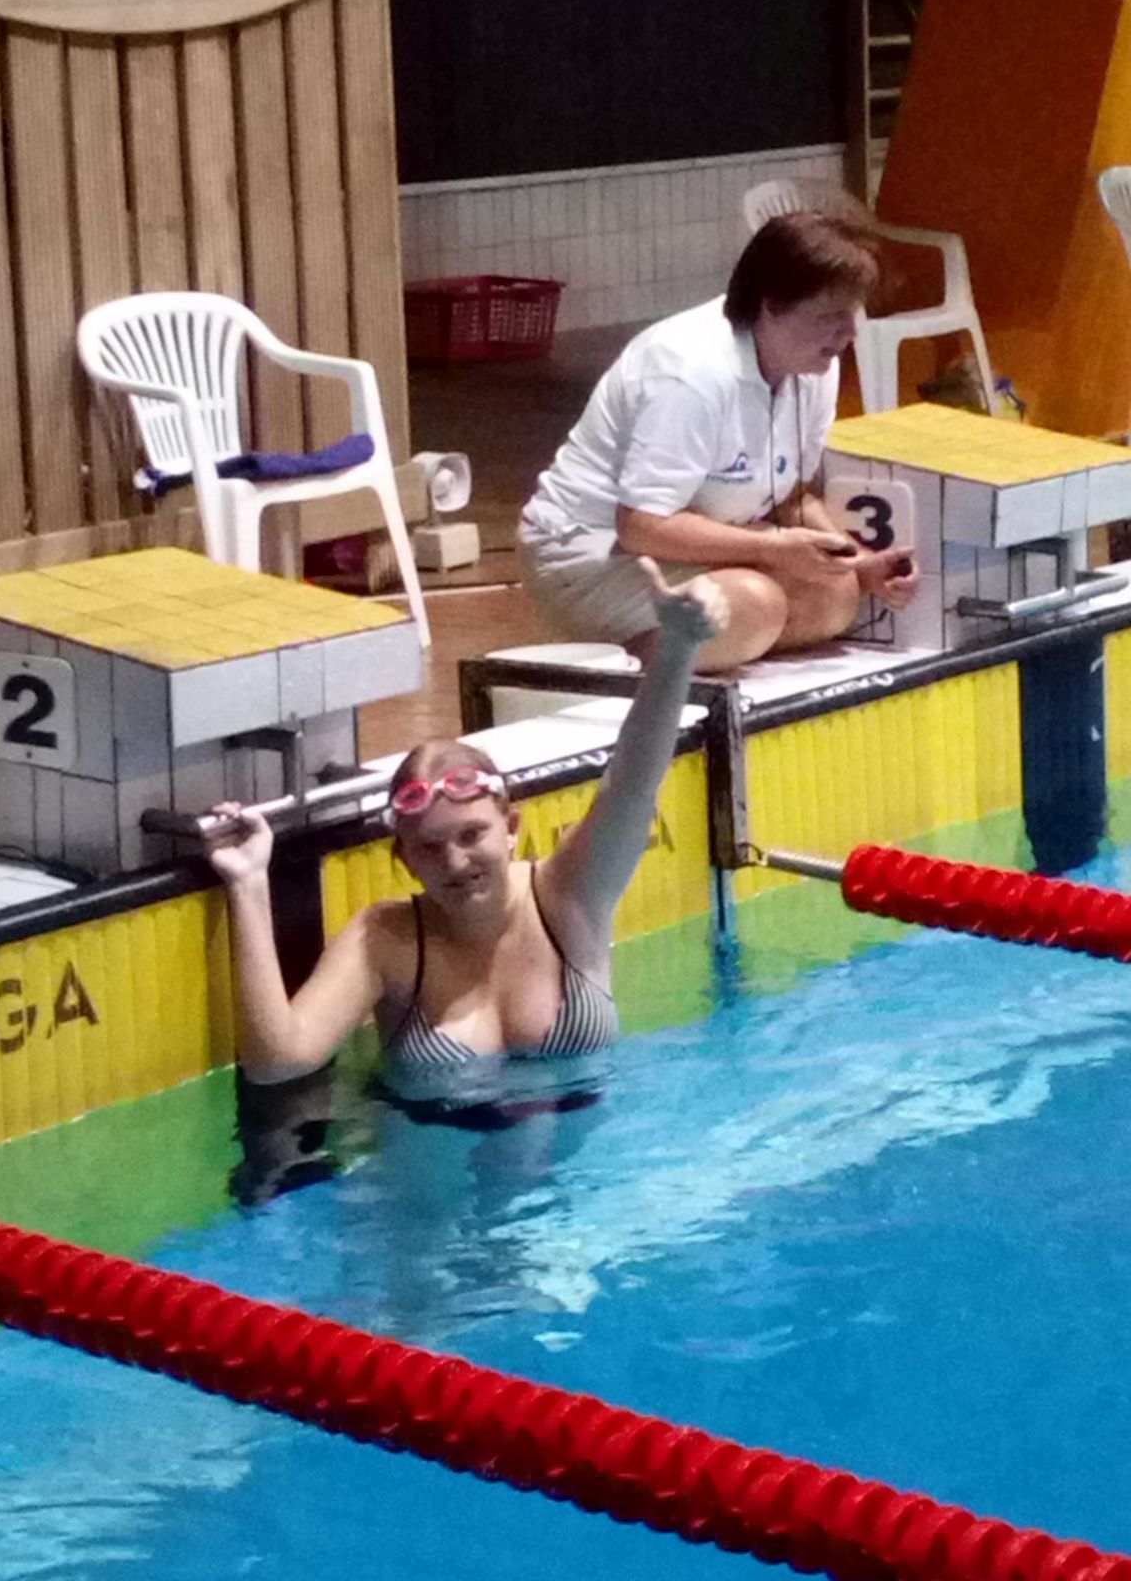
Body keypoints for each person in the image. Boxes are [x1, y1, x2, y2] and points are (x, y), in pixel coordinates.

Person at [205, 560, 728, 1103]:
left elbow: (633, 783)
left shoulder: (569, 896)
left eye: (472, 835)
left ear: (511, 826)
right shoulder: (385, 940)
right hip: (429, 1157)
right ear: (404, 859)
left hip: (587, 1157)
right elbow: (277, 1062)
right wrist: (248, 885)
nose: (455, 862)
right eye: (429, 847)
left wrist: (677, 649)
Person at [519, 211, 920, 673]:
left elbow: (791, 497)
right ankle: (608, 672)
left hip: (697, 542)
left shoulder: (814, 365)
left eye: (852, 314)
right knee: (751, 608)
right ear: (772, 306)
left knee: (835, 595)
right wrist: (773, 548)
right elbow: (642, 526)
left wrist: (858, 562)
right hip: (588, 558)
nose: (849, 333)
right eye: (831, 316)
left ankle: (699, 651)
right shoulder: (689, 372)